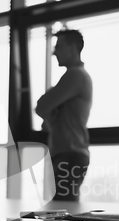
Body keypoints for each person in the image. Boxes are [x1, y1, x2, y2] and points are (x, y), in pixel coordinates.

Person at [36, 29, 93, 201]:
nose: (54, 52)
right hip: (67, 153)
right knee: (62, 212)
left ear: (74, 48)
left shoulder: (75, 75)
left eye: (59, 47)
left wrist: (49, 111)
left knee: (62, 213)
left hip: (70, 153)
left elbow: (42, 106)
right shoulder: (74, 76)